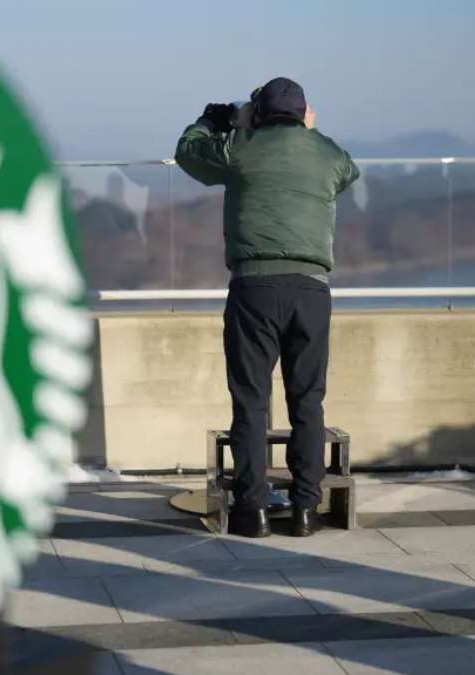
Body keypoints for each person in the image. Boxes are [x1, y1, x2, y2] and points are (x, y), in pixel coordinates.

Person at [175, 77, 359, 538]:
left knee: (251, 402)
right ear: (302, 114)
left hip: (253, 288)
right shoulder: (326, 153)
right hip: (312, 291)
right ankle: (304, 511)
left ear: (259, 113)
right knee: (308, 401)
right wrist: (309, 134)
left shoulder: (240, 146)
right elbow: (348, 171)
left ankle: (252, 511)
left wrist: (213, 121)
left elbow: (188, 152)